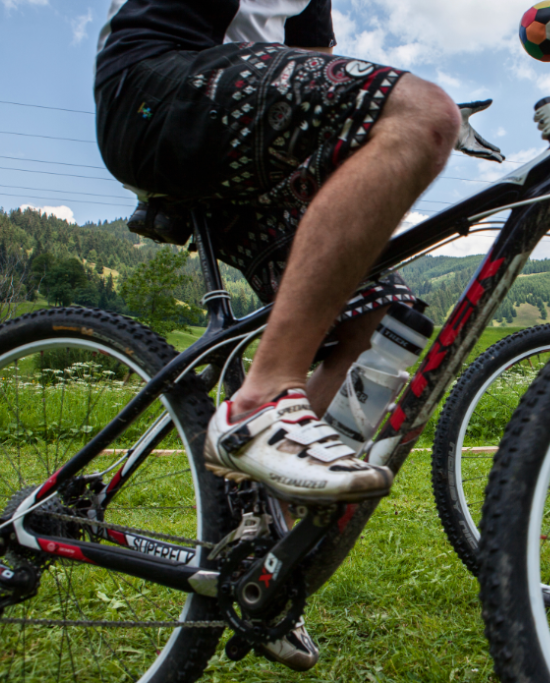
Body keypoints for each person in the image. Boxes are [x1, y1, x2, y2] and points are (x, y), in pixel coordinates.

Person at [93, 0, 470, 670]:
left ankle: (257, 544)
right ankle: (260, 398)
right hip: (153, 86)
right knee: (423, 114)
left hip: (241, 135)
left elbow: (320, 73)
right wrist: (395, 114)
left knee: (389, 328)